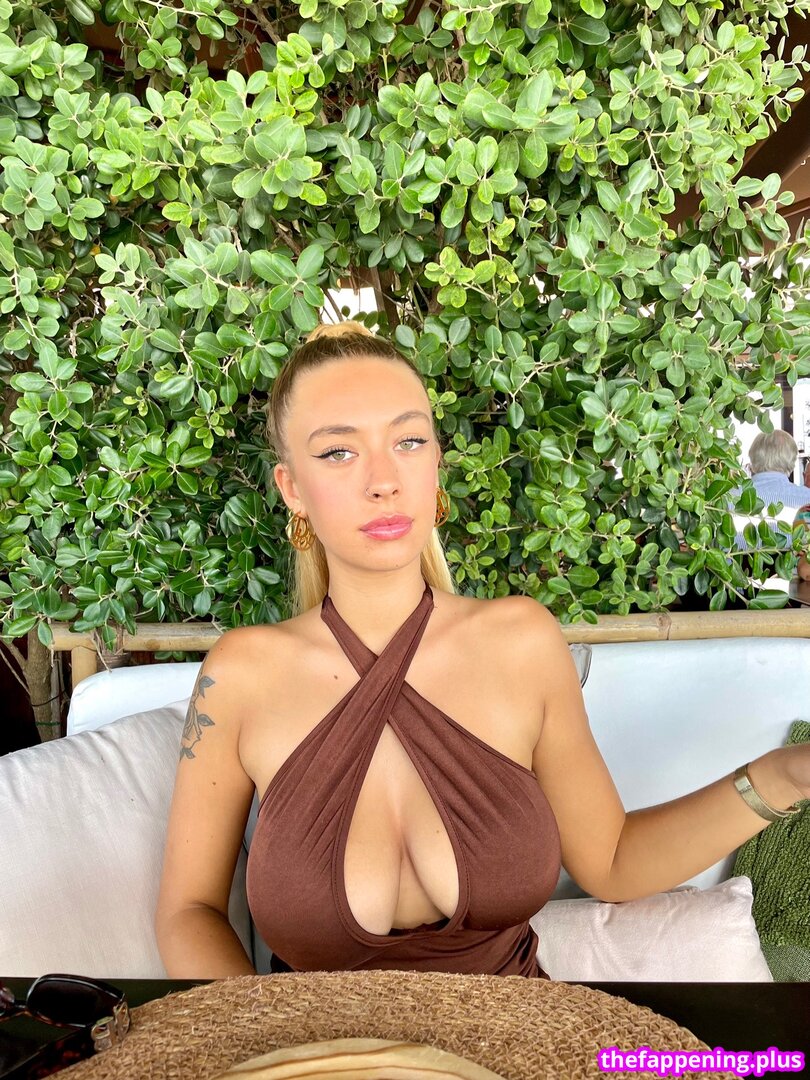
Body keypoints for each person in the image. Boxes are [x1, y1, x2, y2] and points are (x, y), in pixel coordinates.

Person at [155, 321, 810, 980]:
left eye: (408, 441)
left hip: (520, 1030)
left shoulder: (521, 643)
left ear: (435, 464)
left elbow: (613, 861)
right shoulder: (241, 675)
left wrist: (784, 776)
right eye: (338, 452)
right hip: (315, 1038)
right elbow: (189, 911)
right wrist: (263, 1035)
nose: (383, 480)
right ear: (291, 487)